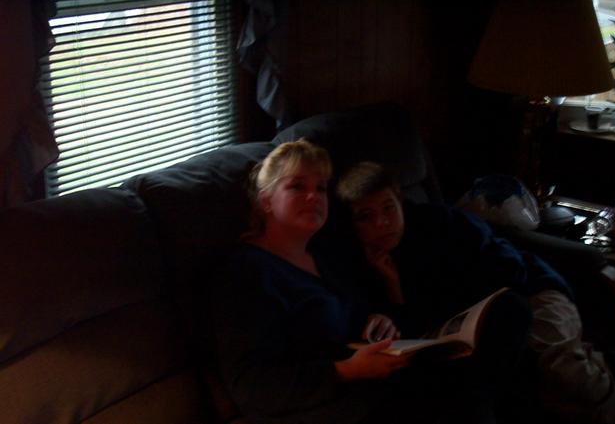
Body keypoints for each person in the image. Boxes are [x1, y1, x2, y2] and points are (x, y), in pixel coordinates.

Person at [213, 139, 531, 424]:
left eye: (321, 188)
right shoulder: (247, 272)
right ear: (266, 200)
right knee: (461, 395)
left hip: (378, 374)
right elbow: (250, 386)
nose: (313, 196)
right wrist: (346, 370)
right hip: (332, 401)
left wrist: (379, 317)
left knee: (508, 313)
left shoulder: (324, 256)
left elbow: (369, 319)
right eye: (297, 186)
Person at [335, 161, 615, 424]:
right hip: (477, 324)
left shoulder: (440, 223)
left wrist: (455, 301)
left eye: (389, 208)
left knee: (560, 368)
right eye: (366, 216)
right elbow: (407, 326)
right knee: (546, 385)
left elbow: (508, 267)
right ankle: (612, 367)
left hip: (531, 290)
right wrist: (393, 284)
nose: (382, 223)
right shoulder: (360, 264)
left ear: (400, 201)